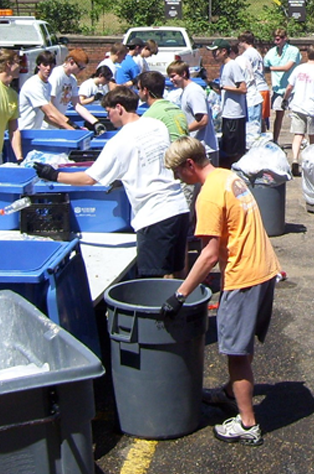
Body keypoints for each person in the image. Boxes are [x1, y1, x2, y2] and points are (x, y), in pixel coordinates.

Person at [161, 136, 281, 446]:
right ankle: (230, 391)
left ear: (190, 164)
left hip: (244, 276)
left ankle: (247, 422)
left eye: (177, 172)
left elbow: (209, 255)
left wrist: (180, 295)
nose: (178, 178)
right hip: (264, 268)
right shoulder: (229, 176)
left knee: (235, 353)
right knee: (241, 343)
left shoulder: (208, 195)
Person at [33, 87, 190, 279]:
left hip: (153, 215)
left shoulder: (120, 141)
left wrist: (54, 175)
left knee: (152, 283)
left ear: (119, 108)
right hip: (178, 206)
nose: (109, 117)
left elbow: (89, 178)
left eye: (108, 112)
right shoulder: (157, 126)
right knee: (178, 275)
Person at [281, 44, 314, 176]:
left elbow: (289, 87)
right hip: (312, 109)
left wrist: (285, 99)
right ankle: (311, 162)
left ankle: (295, 159)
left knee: (298, 135)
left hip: (297, 107)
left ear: (306, 54)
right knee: (313, 137)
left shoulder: (298, 69)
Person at [168, 60, 219, 165]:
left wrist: (182, 131)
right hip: (195, 147)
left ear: (183, 74)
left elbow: (203, 120)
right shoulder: (185, 91)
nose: (171, 80)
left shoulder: (193, 92)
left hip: (205, 149)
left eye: (173, 76)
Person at [207, 39, 247, 168]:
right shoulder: (223, 67)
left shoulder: (233, 65)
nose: (214, 55)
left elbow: (242, 88)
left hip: (235, 114)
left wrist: (224, 88)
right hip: (226, 112)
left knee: (234, 150)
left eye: (215, 52)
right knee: (227, 146)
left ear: (224, 51)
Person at [19, 51, 77, 130]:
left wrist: (67, 127)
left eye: (51, 65)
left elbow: (46, 117)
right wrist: (71, 128)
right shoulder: (33, 85)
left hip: (35, 133)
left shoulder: (48, 85)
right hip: (24, 132)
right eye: (45, 65)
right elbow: (50, 113)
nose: (48, 68)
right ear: (39, 66)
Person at [47, 49, 102, 133]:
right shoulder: (56, 75)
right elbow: (50, 105)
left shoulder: (73, 80)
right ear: (71, 61)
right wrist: (70, 125)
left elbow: (77, 105)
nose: (81, 71)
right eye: (80, 67)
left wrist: (95, 122)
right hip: (48, 126)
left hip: (59, 125)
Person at [263, 29, 301, 143]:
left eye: (278, 39)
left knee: (298, 116)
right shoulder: (271, 52)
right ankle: (275, 140)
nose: (276, 42)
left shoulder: (293, 51)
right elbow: (263, 65)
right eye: (274, 39)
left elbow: (287, 67)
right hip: (278, 89)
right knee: (278, 115)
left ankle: (300, 139)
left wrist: (270, 68)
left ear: (285, 38)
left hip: (293, 89)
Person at [137, 70, 189, 141]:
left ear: (145, 91)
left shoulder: (149, 117)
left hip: (173, 150)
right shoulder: (176, 109)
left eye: (139, 88)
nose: (138, 92)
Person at [238, 31, 269, 132]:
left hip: (257, 88)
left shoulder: (247, 55)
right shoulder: (257, 53)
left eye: (240, 42)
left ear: (244, 41)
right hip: (263, 88)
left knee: (254, 124)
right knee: (261, 121)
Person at [231, 42, 263, 132]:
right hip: (254, 98)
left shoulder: (238, 63)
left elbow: (241, 84)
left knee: (252, 133)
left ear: (232, 53)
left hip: (250, 100)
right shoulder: (242, 59)